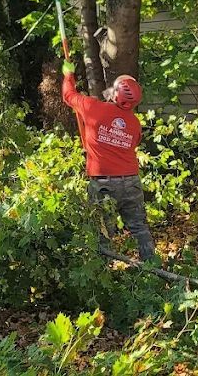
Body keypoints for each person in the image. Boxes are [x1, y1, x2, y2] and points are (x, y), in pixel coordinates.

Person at [62, 60, 156, 262]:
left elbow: (68, 95)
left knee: (103, 233)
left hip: (103, 184)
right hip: (131, 182)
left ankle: (101, 273)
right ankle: (152, 268)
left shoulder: (93, 108)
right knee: (139, 228)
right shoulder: (135, 124)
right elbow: (133, 143)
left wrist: (68, 75)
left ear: (115, 94)